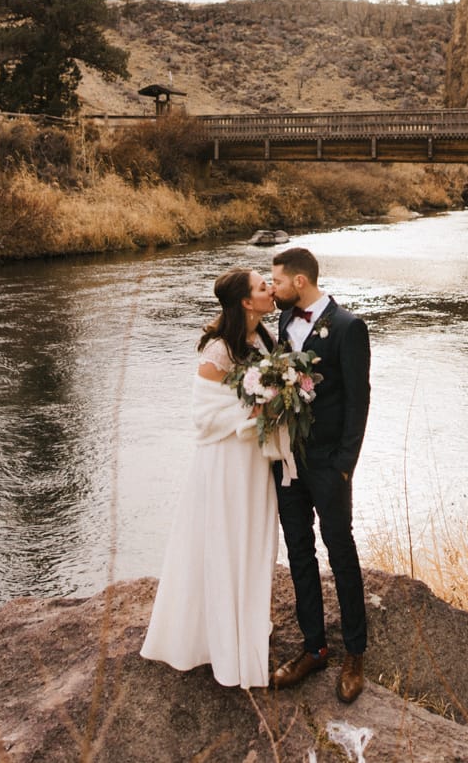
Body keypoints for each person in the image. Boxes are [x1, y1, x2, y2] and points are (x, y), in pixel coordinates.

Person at [139, 268, 281, 687]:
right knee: (223, 541)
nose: (270, 291)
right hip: (225, 463)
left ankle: (247, 623)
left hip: (255, 461)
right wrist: (254, 412)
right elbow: (202, 417)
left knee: (253, 540)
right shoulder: (218, 351)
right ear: (244, 302)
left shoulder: (265, 340)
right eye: (261, 287)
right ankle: (213, 638)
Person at [266, 246, 371, 704]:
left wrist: (345, 465)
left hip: (330, 466)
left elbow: (358, 400)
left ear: (301, 283)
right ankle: (314, 647)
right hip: (288, 464)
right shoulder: (285, 323)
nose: (274, 290)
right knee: (298, 553)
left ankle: (354, 652)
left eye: (279, 282)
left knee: (341, 553)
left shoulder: (348, 327)